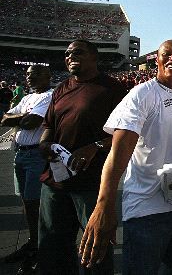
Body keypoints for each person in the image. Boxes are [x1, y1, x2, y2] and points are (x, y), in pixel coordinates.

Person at [79, 40, 172, 274]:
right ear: (155, 60)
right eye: (167, 54)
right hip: (146, 208)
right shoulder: (142, 94)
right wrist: (104, 204)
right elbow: (118, 152)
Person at [38, 39, 126, 275]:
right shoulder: (61, 88)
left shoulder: (112, 88)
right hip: (55, 182)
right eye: (67, 54)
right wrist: (45, 142)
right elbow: (49, 125)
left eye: (77, 52)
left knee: (94, 252)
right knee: (52, 248)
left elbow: (126, 135)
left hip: (91, 184)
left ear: (94, 57)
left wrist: (94, 146)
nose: (70, 56)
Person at [1, 65, 53, 274]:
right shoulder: (29, 97)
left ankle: (42, 249)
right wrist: (22, 116)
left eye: (35, 74)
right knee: (26, 202)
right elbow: (4, 119)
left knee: (36, 205)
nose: (29, 77)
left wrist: (19, 117)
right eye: (28, 74)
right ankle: (33, 243)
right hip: (20, 153)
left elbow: (32, 122)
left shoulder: (49, 96)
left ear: (48, 76)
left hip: (35, 156)